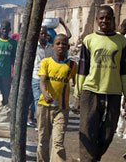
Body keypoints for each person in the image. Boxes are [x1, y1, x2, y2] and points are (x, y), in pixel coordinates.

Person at [75, 5, 126, 162]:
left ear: (113, 20)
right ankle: (88, 160)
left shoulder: (121, 42)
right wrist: (77, 94)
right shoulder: (89, 40)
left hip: (113, 93)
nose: (104, 21)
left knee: (108, 133)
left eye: (108, 18)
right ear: (96, 20)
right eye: (101, 18)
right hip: (90, 91)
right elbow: (82, 69)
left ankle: (94, 158)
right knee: (87, 131)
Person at [36, 34, 77, 162]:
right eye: (58, 43)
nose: (61, 46)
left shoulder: (72, 66)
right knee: (43, 140)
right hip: (44, 107)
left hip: (62, 108)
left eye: (64, 44)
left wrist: (77, 98)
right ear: (53, 46)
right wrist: (45, 93)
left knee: (58, 142)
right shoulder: (46, 62)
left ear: (68, 47)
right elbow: (42, 82)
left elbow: (75, 83)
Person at [28, 26, 54, 127]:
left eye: (45, 34)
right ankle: (40, 122)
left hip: (48, 78)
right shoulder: (34, 47)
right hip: (36, 76)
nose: (44, 36)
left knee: (44, 99)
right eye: (41, 34)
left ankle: (39, 119)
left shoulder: (50, 47)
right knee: (37, 99)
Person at [0, 20, 17, 105]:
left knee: (5, 96)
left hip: (6, 73)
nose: (5, 31)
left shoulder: (13, 43)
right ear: (0, 29)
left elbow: (13, 58)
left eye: (7, 29)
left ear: (10, 30)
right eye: (3, 29)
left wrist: (13, 71)